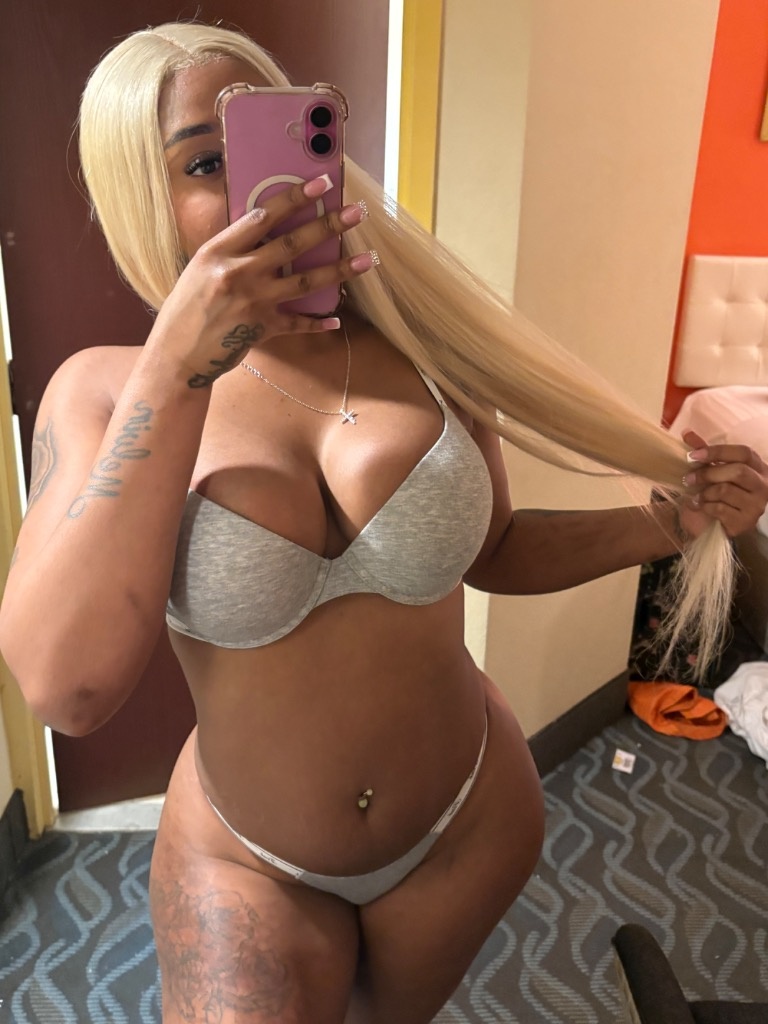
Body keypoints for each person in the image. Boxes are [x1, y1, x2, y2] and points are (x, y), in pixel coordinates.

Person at [1, 21, 766, 1024]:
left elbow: (493, 551)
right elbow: (67, 687)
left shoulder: (423, 346)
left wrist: (664, 524)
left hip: (470, 822)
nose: (263, 192)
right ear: (139, 195)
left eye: (284, 142)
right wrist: (180, 367)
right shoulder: (104, 395)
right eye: (204, 163)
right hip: (252, 859)